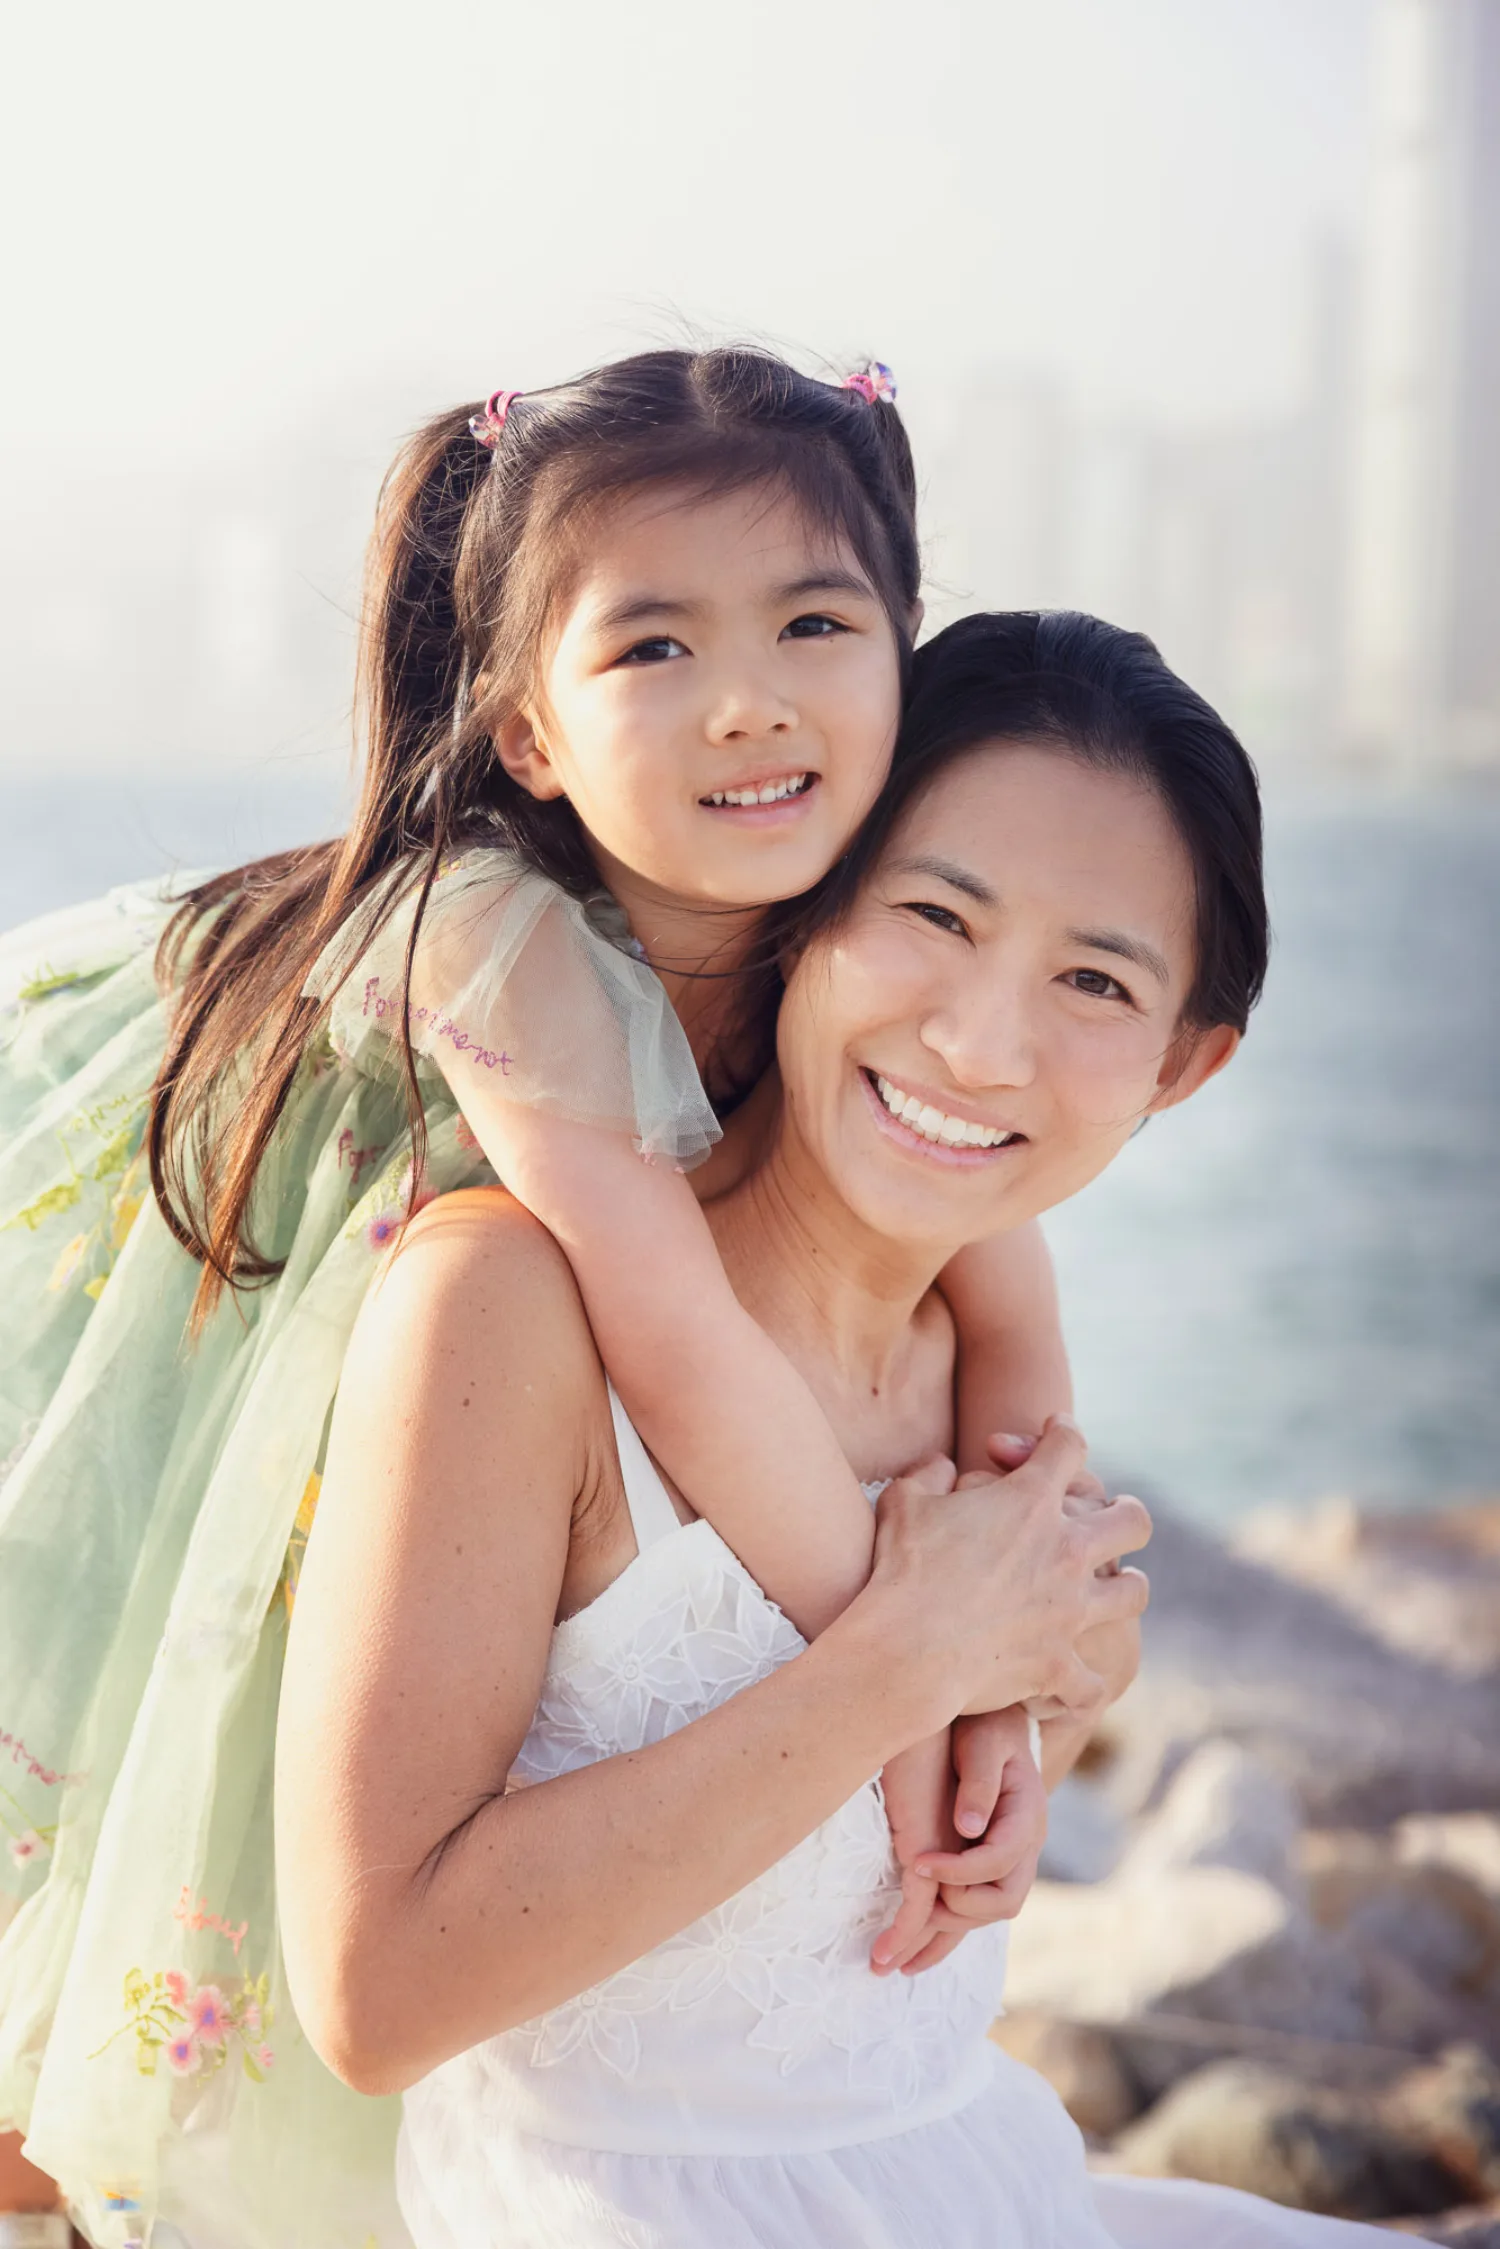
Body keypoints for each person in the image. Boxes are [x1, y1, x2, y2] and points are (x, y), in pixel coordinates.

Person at [0, 349, 1063, 2248]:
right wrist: (916, 1681)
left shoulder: (877, 884)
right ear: (529, 738)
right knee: (156, 1689)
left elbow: (993, 1254)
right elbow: (672, 1325)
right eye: (653, 646)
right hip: (257, 1255)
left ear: (905, 648)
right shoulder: (502, 936)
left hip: (504, 1314)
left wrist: (1027, 1589)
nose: (750, 699)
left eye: (815, 622)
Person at [279, 610, 1396, 2246]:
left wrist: (1055, 1697)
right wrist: (900, 1665)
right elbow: (372, 1996)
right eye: (934, 916)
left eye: (1094, 981)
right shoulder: (515, 1308)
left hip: (976, 2182)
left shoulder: (989, 1362)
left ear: (1184, 1065)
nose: (981, 1045)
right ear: (802, 909)